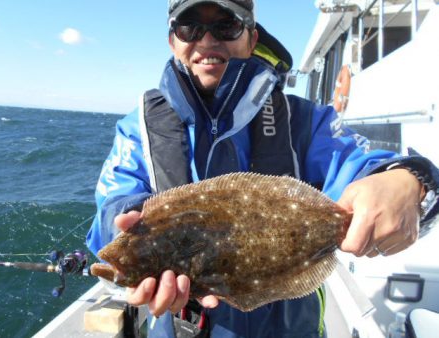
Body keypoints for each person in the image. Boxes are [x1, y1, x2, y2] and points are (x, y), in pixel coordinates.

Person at [86, 0, 439, 337]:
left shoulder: (304, 122)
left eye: (226, 25)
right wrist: (124, 224)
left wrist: (409, 180)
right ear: (172, 39)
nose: (206, 40)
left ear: (252, 37)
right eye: (189, 27)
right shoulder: (140, 129)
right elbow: (110, 210)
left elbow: (364, 168)